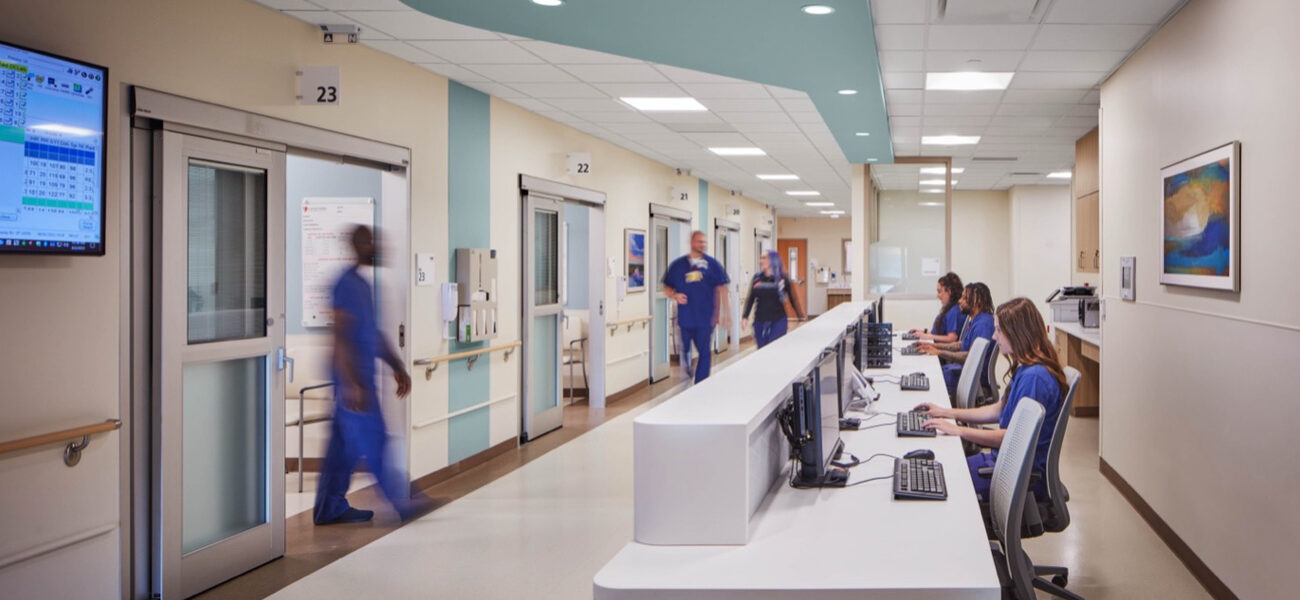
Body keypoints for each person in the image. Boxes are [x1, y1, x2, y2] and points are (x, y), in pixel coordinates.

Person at [914, 297, 1066, 501]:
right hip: (1005, 464)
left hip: (1013, 476)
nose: (994, 337)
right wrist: (946, 412)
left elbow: (1011, 438)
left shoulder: (1035, 379)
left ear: (1018, 334)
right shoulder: (1027, 369)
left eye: (999, 331)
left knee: (937, 479)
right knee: (937, 469)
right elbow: (998, 410)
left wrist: (958, 430)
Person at [315, 225, 414, 525]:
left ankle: (329, 508)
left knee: (340, 452)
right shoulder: (344, 284)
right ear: (356, 245)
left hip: (358, 378)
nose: (376, 246)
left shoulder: (363, 285)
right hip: (354, 380)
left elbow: (372, 333)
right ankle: (404, 502)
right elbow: (340, 337)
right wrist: (352, 383)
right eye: (370, 241)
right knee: (376, 441)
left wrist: (396, 365)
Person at [662, 230, 730, 383]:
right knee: (684, 350)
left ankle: (701, 384)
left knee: (704, 353)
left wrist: (724, 314)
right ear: (692, 243)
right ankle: (687, 366)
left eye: (704, 242)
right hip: (686, 318)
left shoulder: (712, 265)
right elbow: (666, 287)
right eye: (699, 241)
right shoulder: (678, 266)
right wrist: (675, 296)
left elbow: (722, 288)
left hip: (706, 319)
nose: (702, 245)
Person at [917, 282, 994, 396]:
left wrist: (939, 352)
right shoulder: (975, 320)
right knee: (930, 373)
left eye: (964, 298)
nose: (959, 301)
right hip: (965, 371)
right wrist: (934, 346)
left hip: (974, 380)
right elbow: (960, 344)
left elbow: (970, 357)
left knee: (932, 381)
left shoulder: (983, 324)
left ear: (976, 300)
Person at [742, 249, 803, 348]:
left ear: (773, 260)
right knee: (761, 350)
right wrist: (745, 316)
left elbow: (793, 298)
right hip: (759, 320)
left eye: (764, 258)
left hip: (778, 320)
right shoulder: (757, 278)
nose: (761, 260)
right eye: (761, 258)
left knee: (773, 348)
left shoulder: (782, 278)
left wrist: (800, 317)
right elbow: (751, 298)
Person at [909, 272, 964, 343]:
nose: (938, 295)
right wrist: (924, 332)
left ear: (949, 291)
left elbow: (952, 338)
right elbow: (941, 333)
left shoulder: (954, 311)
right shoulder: (951, 308)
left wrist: (927, 337)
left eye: (939, 291)